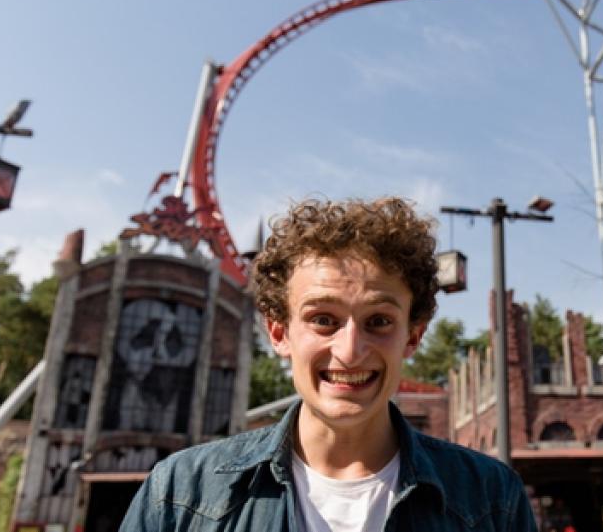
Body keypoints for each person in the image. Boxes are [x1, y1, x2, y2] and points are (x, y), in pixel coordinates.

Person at [121, 197, 536, 531]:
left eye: (378, 321)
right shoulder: (180, 494)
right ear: (280, 332)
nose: (350, 350)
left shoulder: (490, 499)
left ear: (412, 336)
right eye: (323, 320)